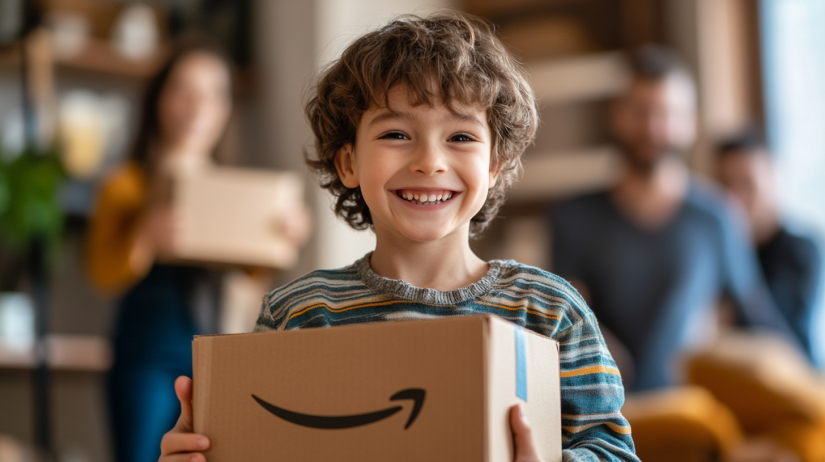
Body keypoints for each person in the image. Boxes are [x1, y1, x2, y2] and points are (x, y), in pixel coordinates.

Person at [158, 12, 639, 462]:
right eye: (395, 134)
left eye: (461, 137)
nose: (429, 161)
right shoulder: (301, 312)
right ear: (348, 162)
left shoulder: (550, 312)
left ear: (494, 165)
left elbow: (613, 449)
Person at [86, 43, 308, 462]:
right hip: (144, 356)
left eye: (212, 93)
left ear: (226, 108)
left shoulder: (236, 194)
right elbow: (102, 273)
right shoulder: (125, 185)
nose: (197, 106)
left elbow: (253, 277)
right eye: (184, 90)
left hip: (213, 361)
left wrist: (280, 236)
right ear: (159, 99)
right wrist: (144, 236)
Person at [549, 45, 800, 392]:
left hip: (693, 413)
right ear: (616, 115)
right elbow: (563, 315)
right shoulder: (574, 217)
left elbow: (756, 316)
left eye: (667, 113)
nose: (653, 127)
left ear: (690, 123)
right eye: (640, 111)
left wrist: (808, 379)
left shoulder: (719, 216)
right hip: (603, 411)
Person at [715, 128, 823, 366]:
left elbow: (782, 341)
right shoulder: (712, 251)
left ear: (773, 181)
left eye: (747, 184)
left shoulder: (800, 251)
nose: (734, 198)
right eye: (725, 185)